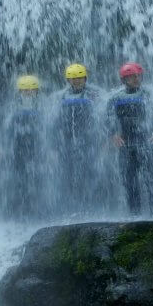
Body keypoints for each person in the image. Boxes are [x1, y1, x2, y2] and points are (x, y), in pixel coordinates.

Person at [107, 62, 153, 214]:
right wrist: (113, 134)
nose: (135, 79)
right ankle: (134, 217)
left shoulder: (152, 94)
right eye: (131, 77)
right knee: (129, 182)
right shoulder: (116, 98)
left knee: (152, 181)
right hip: (126, 145)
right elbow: (107, 118)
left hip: (149, 143)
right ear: (124, 79)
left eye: (137, 76)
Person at [54, 63, 102, 209]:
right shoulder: (60, 96)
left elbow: (105, 117)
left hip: (90, 140)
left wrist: (105, 139)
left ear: (85, 78)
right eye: (73, 78)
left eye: (79, 78)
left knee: (91, 173)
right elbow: (53, 122)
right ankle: (71, 207)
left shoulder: (95, 94)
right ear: (68, 80)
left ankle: (92, 206)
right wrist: (53, 146)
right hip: (66, 141)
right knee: (68, 174)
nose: (76, 81)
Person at [7, 75, 42, 219]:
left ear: (36, 91)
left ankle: (37, 211)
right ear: (19, 92)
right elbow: (6, 129)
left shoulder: (44, 105)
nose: (28, 93)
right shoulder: (12, 107)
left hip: (38, 148)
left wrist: (52, 150)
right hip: (17, 149)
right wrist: (3, 147)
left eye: (31, 90)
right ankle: (19, 211)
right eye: (24, 90)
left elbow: (50, 128)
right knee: (19, 179)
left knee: (38, 179)